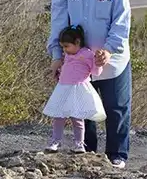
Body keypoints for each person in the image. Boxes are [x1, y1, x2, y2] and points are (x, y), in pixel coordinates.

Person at [47, 0, 132, 169]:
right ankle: (88, 151)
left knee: (116, 108)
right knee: (82, 109)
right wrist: (57, 55)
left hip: (112, 61)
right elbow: (58, 22)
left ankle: (118, 155)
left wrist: (109, 49)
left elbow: (121, 21)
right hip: (78, 63)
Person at [43, 25, 106, 153]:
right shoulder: (67, 55)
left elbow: (95, 71)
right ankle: (56, 141)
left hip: (78, 88)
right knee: (58, 116)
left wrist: (97, 61)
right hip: (64, 87)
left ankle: (79, 144)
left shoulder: (87, 54)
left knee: (77, 117)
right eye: (63, 47)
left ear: (77, 42)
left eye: (66, 46)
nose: (64, 50)